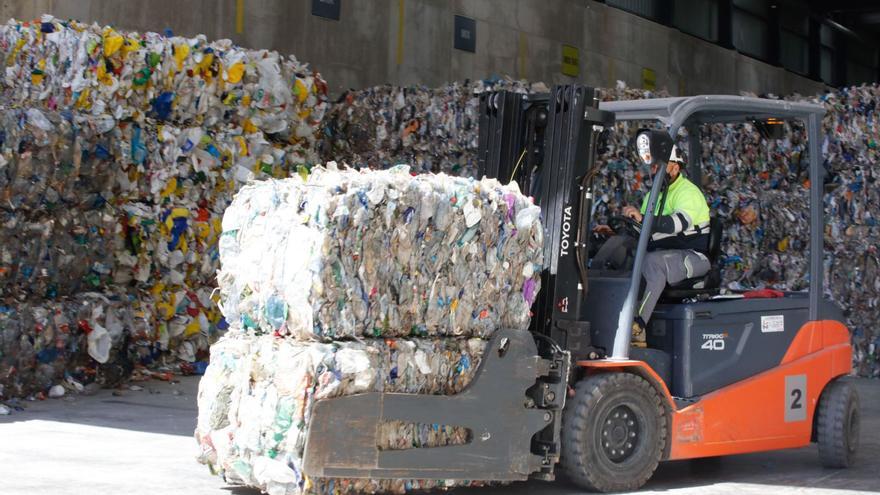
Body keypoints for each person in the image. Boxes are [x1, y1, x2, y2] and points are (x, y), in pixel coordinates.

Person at [592, 144, 711, 346]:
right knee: (618, 254)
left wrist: (644, 218)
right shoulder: (653, 196)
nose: (654, 170)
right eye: (654, 166)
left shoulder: (688, 192)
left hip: (693, 256)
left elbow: (677, 223)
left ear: (675, 167)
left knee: (653, 262)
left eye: (660, 166)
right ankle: (604, 314)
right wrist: (616, 233)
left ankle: (637, 325)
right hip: (665, 252)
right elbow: (645, 232)